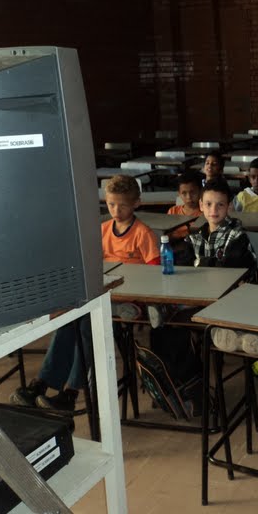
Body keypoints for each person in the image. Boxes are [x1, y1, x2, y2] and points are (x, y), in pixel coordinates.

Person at [10, 174, 160, 411]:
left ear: (136, 204)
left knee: (87, 325)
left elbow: (155, 273)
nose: (116, 210)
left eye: (122, 205)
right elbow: (88, 261)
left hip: (129, 301)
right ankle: (42, 383)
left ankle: (70, 393)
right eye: (111, 204)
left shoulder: (143, 233)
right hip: (101, 295)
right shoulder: (102, 230)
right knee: (69, 320)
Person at [186, 178, 257, 273]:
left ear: (229, 206)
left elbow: (231, 268)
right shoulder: (193, 238)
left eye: (220, 204)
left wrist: (198, 262)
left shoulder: (237, 235)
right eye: (208, 204)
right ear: (201, 205)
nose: (214, 210)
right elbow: (184, 266)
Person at [168, 170, 202, 242]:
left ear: (200, 191)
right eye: (184, 193)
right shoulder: (173, 211)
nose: (189, 197)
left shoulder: (205, 212)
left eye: (192, 192)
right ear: (179, 194)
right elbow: (167, 235)